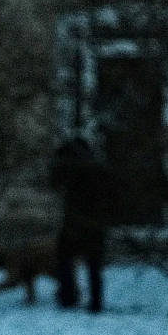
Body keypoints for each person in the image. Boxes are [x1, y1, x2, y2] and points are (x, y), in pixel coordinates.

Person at [49, 132, 113, 313]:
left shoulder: (71, 167)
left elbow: (55, 181)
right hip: (96, 223)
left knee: (64, 258)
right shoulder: (99, 168)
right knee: (94, 265)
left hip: (75, 224)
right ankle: (95, 302)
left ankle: (69, 296)